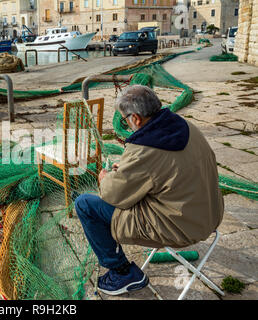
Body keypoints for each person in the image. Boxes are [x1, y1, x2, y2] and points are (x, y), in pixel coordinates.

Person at [75, 85, 224, 296]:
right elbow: (165, 171)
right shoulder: (185, 126)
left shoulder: (144, 149)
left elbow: (112, 195)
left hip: (180, 228)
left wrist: (105, 179)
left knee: (84, 204)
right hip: (210, 215)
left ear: (136, 118)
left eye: (124, 119)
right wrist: (127, 171)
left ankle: (123, 272)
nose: (126, 123)